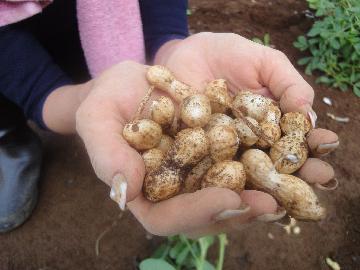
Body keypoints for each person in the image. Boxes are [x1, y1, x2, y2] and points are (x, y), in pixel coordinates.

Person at [0, 0, 339, 236]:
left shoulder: (216, 128)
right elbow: (32, 86)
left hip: (122, 35)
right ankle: (10, 139)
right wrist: (82, 98)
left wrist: (171, 46)